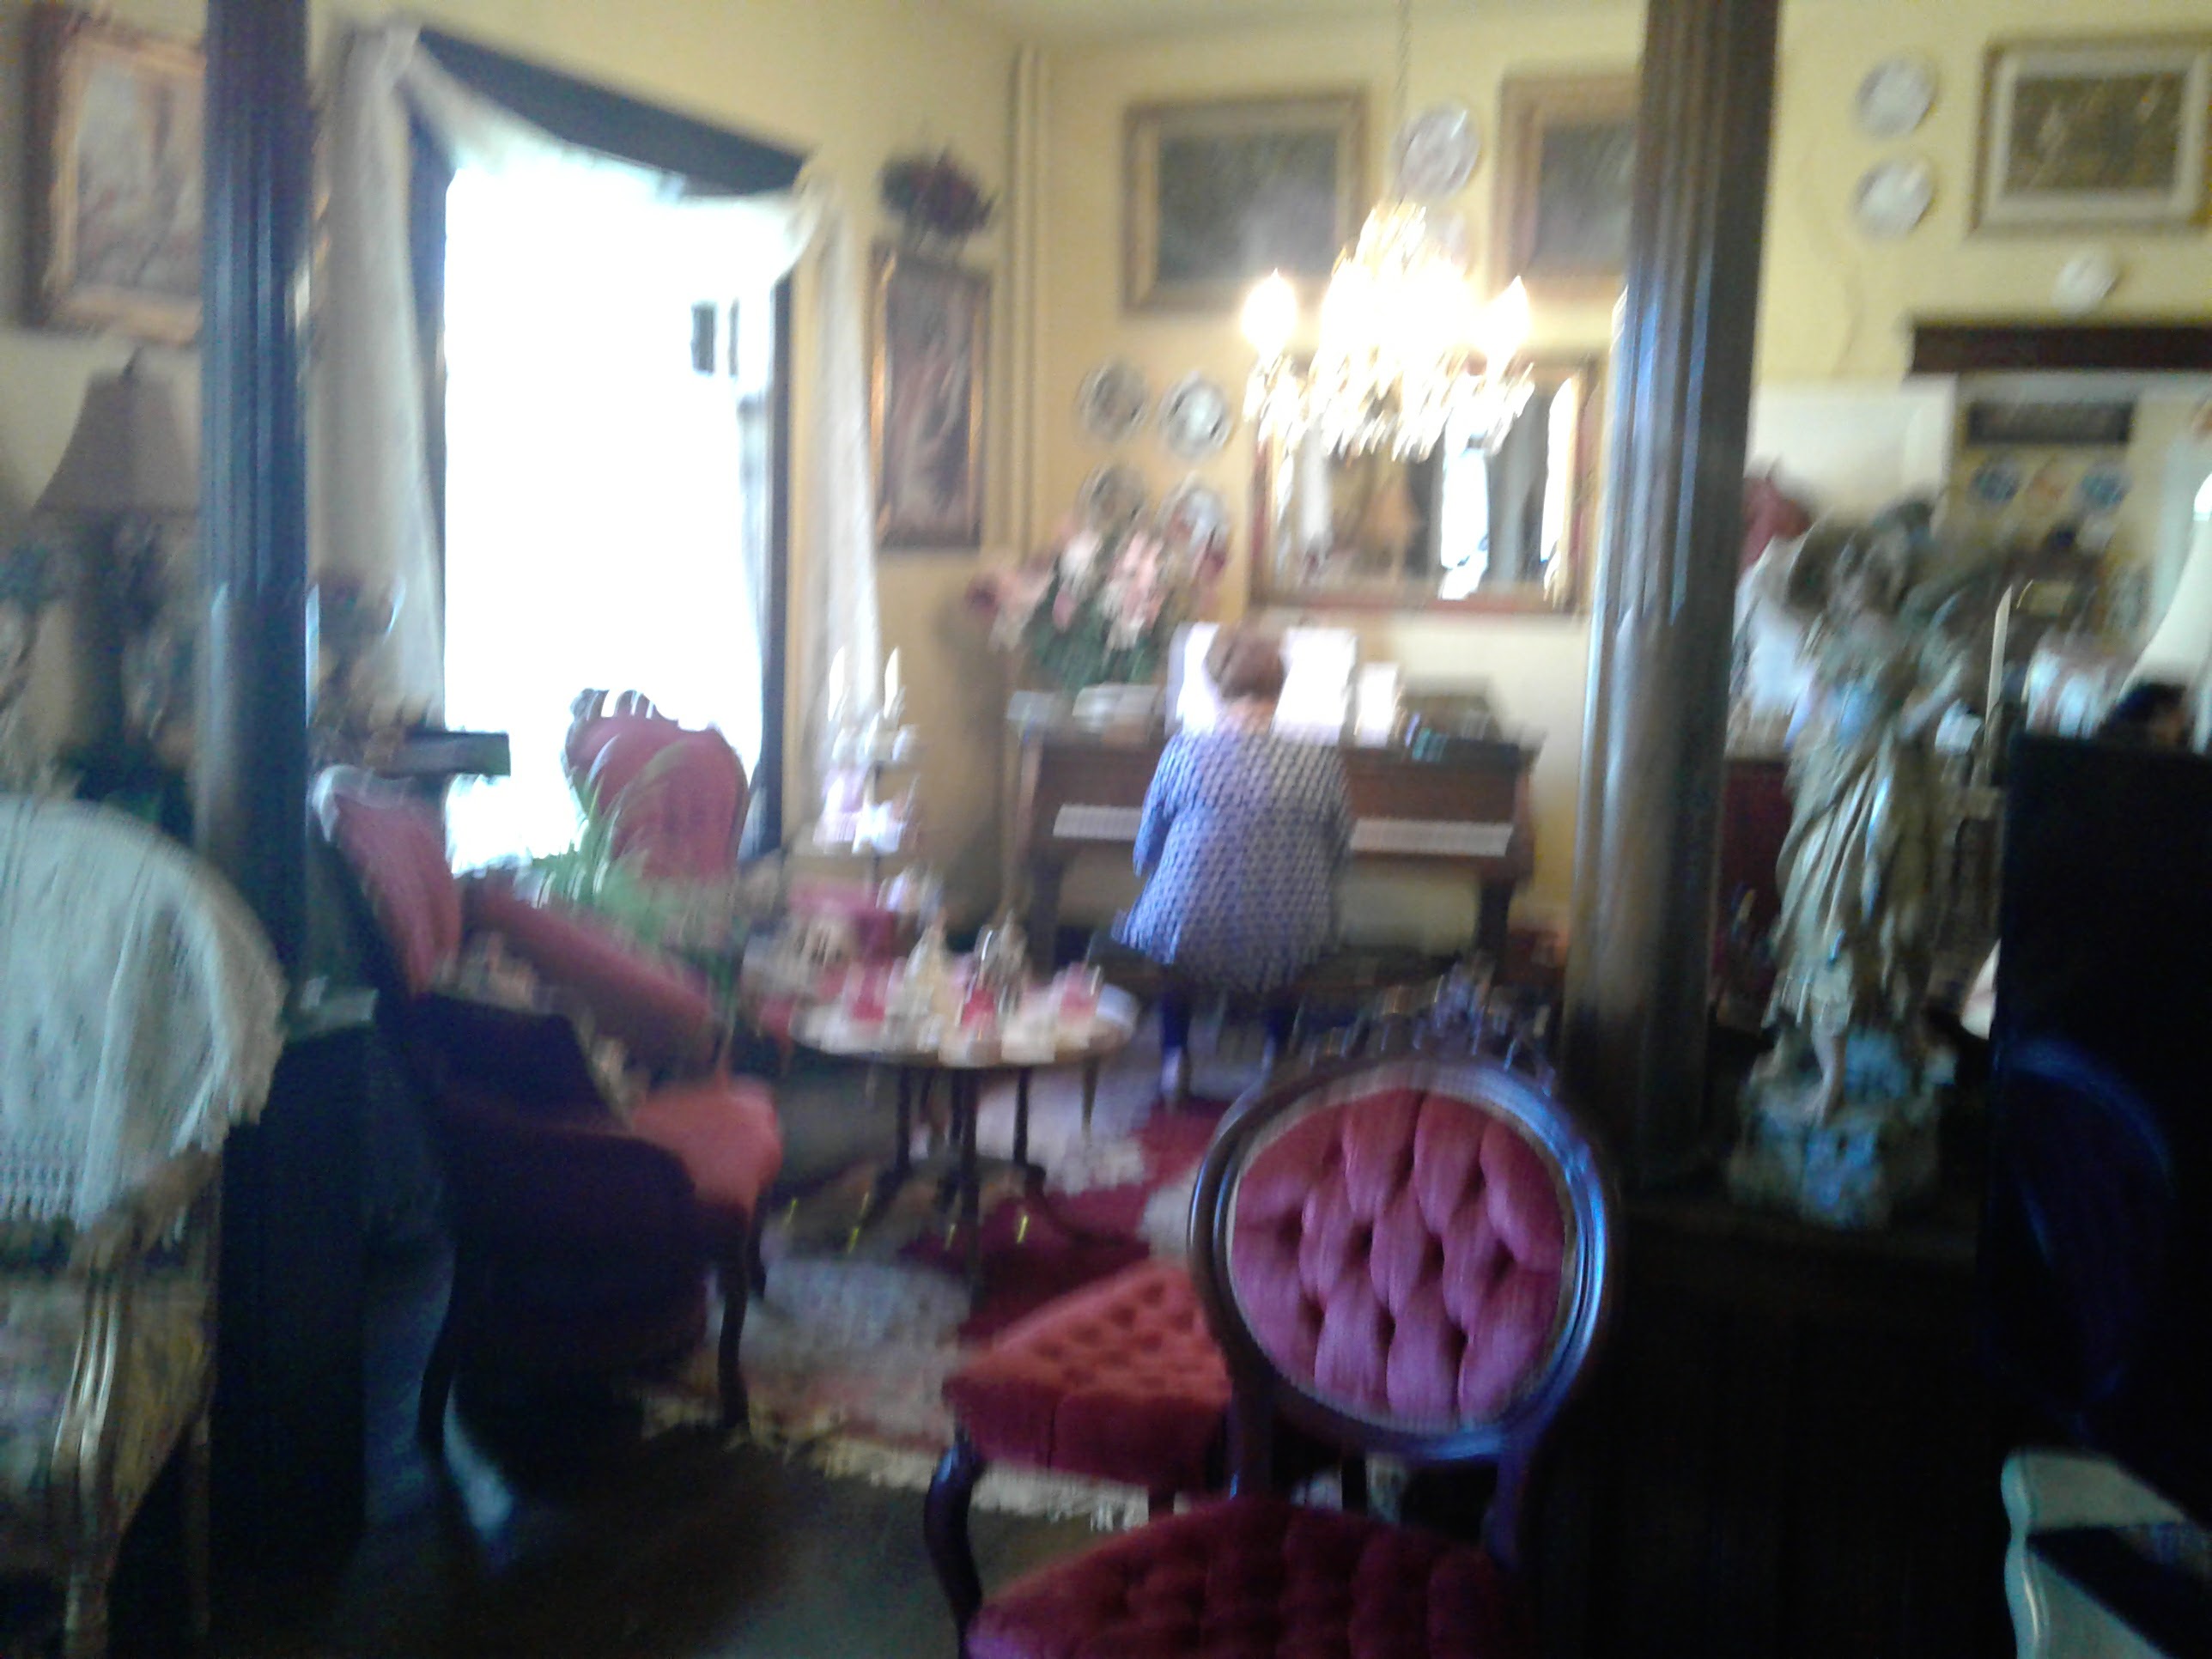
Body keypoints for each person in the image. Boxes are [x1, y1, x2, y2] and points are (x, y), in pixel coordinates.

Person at [1761, 503, 1966, 1122]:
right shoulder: (1830, 638)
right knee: (1814, 903)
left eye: (1864, 574)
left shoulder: (1913, 637)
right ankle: (1809, 1052)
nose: (1853, 586)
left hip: (1888, 783)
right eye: (1844, 577)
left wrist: (1912, 722)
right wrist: (1808, 745)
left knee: (1884, 910)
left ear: (1885, 580)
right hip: (1832, 776)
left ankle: (1884, 1045)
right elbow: (1814, 705)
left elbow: (1960, 674)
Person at [1114, 626, 1352, 1102]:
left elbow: (1148, 848)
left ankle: (1176, 1057)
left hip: (1191, 930)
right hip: (1290, 930)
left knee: (1171, 922)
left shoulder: (1184, 751)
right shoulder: (1322, 761)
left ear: (1216, 687)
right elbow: (1339, 851)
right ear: (1280, 688)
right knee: (1295, 916)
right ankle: (1277, 1052)